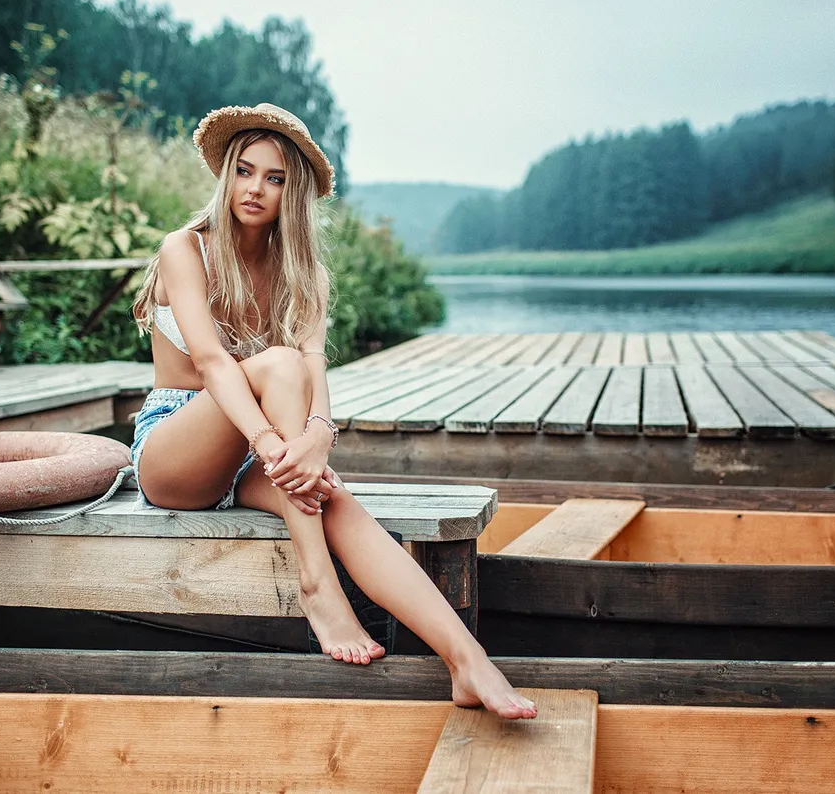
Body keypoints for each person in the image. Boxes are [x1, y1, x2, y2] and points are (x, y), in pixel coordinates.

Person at [129, 103, 537, 720]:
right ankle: (318, 585)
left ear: (292, 193)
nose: (255, 189)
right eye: (245, 171)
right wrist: (276, 446)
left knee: (333, 497)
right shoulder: (185, 249)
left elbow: (316, 369)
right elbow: (214, 363)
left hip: (254, 453)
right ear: (225, 177)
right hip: (176, 453)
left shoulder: (304, 273)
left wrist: (318, 439)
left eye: (274, 178)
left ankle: (467, 661)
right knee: (281, 366)